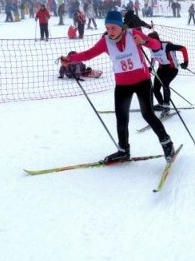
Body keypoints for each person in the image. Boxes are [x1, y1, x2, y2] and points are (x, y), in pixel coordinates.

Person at [60, 10, 175, 163]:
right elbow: (89, 54)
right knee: (121, 118)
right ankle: (123, 150)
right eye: (107, 28)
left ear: (121, 26)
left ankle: (167, 144)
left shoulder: (133, 34)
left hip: (142, 81)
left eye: (113, 27)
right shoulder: (106, 41)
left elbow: (156, 45)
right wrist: (70, 59)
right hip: (122, 85)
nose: (110, 31)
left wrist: (143, 41)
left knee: (147, 114)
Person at [146, 31, 189, 115]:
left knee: (165, 84)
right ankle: (162, 104)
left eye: (151, 41)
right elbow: (153, 57)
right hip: (161, 69)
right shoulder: (151, 47)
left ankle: (166, 105)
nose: (150, 44)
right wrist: (151, 67)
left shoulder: (167, 46)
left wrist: (186, 62)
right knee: (155, 88)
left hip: (172, 69)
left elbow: (183, 48)